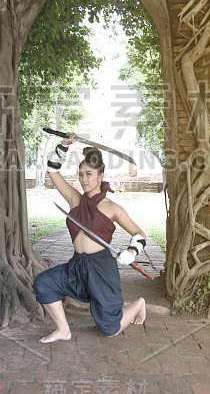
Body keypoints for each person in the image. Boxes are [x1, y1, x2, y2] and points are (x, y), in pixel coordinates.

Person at [33, 136, 147, 343]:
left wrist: (131, 252)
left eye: (90, 175)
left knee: (109, 330)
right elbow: (52, 171)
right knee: (43, 283)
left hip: (102, 269)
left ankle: (138, 304)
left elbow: (139, 234)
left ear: (101, 175)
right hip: (77, 265)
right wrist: (63, 146)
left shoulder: (112, 208)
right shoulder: (74, 199)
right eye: (81, 174)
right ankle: (63, 330)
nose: (84, 179)